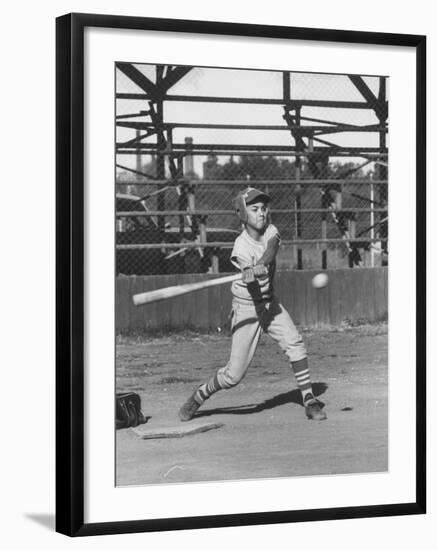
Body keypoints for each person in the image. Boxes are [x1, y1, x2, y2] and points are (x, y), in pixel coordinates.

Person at [179, 187, 327, 422]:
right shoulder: (240, 246)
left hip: (270, 304)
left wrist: (261, 264)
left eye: (264, 208)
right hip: (247, 309)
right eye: (254, 209)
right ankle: (199, 396)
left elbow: (271, 248)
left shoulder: (272, 230)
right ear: (242, 213)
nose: (261, 213)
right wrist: (249, 272)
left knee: (295, 344)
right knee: (233, 376)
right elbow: (247, 271)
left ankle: (309, 399)